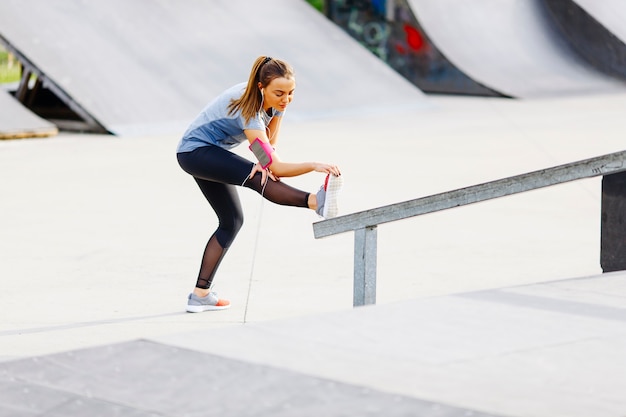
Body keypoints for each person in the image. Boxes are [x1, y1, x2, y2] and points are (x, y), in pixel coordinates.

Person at [176, 56, 343, 313]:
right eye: (279, 93)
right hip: (196, 153)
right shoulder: (250, 110)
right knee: (260, 178)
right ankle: (315, 202)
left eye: (291, 93)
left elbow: (270, 145)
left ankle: (200, 295)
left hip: (209, 153)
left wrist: (274, 127)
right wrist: (313, 165)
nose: (286, 98)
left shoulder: (272, 102)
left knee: (232, 221)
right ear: (261, 88)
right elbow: (276, 167)